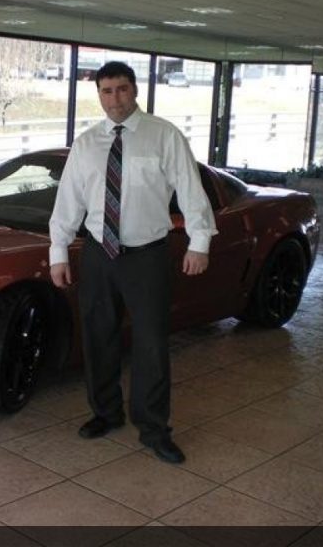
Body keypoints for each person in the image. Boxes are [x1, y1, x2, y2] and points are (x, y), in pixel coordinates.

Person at [49, 61, 217, 464]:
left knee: (151, 344)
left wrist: (200, 242)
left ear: (135, 90)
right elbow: (68, 201)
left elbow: (191, 191)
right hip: (98, 255)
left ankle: (154, 428)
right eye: (106, 91)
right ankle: (106, 413)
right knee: (98, 336)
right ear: (99, 96)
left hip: (147, 255)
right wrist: (58, 252)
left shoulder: (163, 135)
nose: (115, 99)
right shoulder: (87, 144)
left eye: (121, 89)